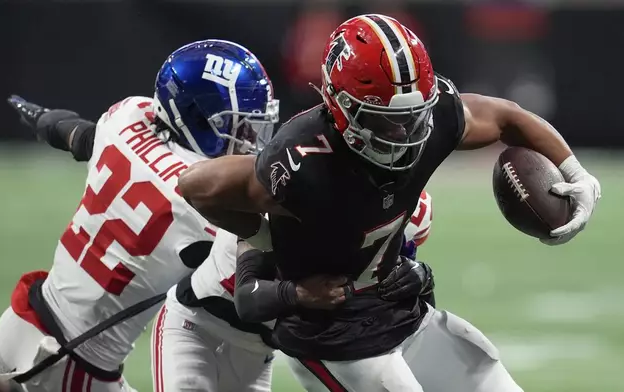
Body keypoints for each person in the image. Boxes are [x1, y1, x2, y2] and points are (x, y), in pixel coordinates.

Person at [178, 14, 601, 391]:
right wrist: (262, 238)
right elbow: (196, 185)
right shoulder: (301, 161)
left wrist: (576, 173)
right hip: (335, 341)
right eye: (386, 120)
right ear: (339, 107)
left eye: (413, 116)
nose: (405, 132)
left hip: (399, 314)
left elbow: (507, 116)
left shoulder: (431, 123)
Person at [0, 39, 278, 392]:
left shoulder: (127, 116)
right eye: (240, 129)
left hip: (23, 321)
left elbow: (82, 136)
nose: (249, 141)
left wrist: (45, 120)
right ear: (197, 118)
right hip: (71, 365)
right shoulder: (206, 203)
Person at [152, 188, 432, 392]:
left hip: (256, 353)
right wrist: (298, 294)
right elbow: (248, 302)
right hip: (198, 326)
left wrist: (422, 280)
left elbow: (414, 330)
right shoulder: (287, 209)